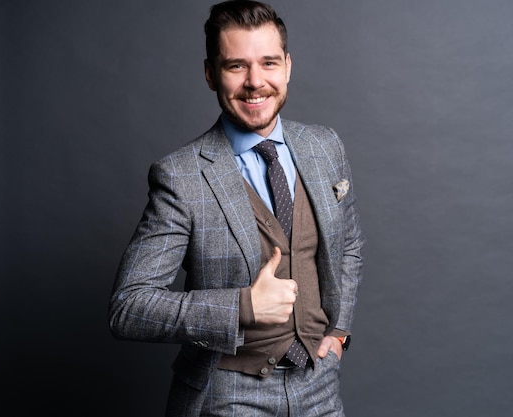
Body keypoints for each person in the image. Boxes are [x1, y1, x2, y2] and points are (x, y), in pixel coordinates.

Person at [108, 1, 365, 415]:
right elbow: (129, 307)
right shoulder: (181, 176)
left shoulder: (324, 147)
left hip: (319, 388)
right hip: (229, 396)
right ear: (211, 74)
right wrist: (243, 306)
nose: (255, 82)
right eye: (236, 66)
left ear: (287, 66)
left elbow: (348, 244)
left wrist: (337, 333)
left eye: (268, 63)